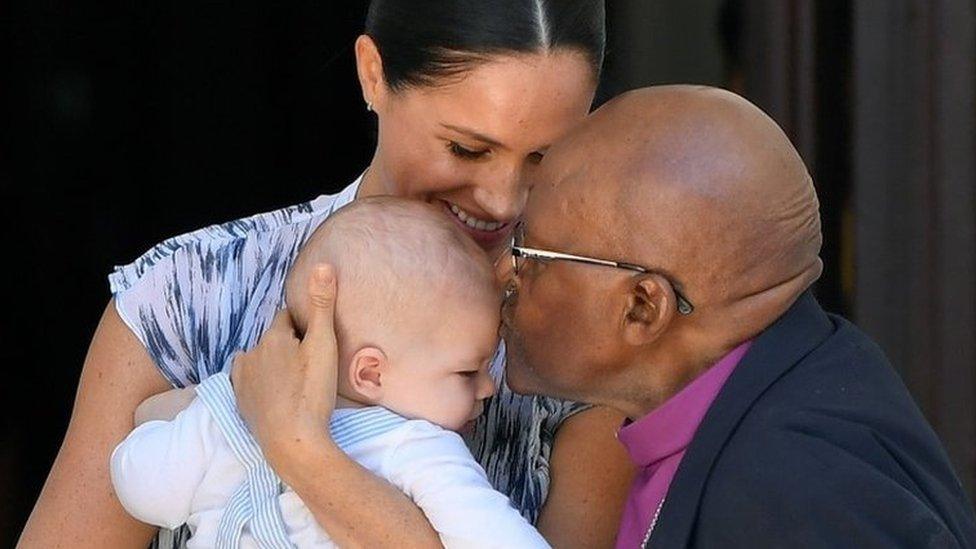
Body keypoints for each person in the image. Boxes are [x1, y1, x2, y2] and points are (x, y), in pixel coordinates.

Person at [19, 2, 635, 548]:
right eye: (466, 149)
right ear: (374, 74)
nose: (503, 201)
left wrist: (298, 448)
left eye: (543, 157)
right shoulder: (191, 295)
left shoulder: (585, 341)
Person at [497, 84, 976, 548]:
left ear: (643, 307)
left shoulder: (790, 495)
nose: (506, 273)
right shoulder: (795, 380)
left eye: (530, 253)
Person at [110, 198, 550, 548]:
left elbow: (142, 488)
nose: (489, 386)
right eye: (467, 372)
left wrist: (198, 406)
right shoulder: (417, 448)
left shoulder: (231, 411)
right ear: (371, 373)